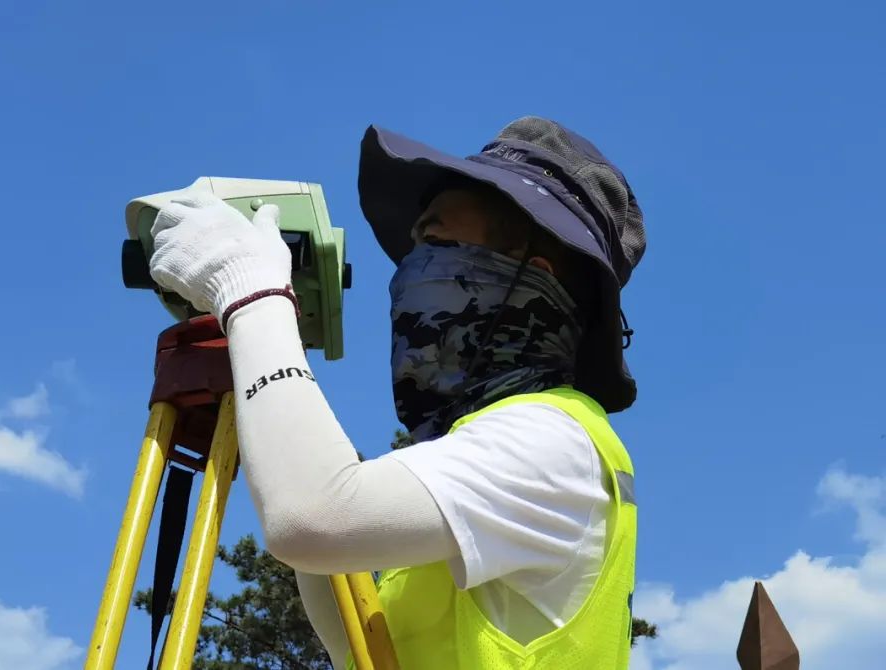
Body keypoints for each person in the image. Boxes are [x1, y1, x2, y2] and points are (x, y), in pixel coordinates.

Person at [147, 116, 647, 669]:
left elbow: (311, 519)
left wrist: (249, 290)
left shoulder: (557, 440)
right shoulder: (478, 480)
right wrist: (266, 347)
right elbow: (353, 637)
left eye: (435, 241)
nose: (413, 269)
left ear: (530, 273)